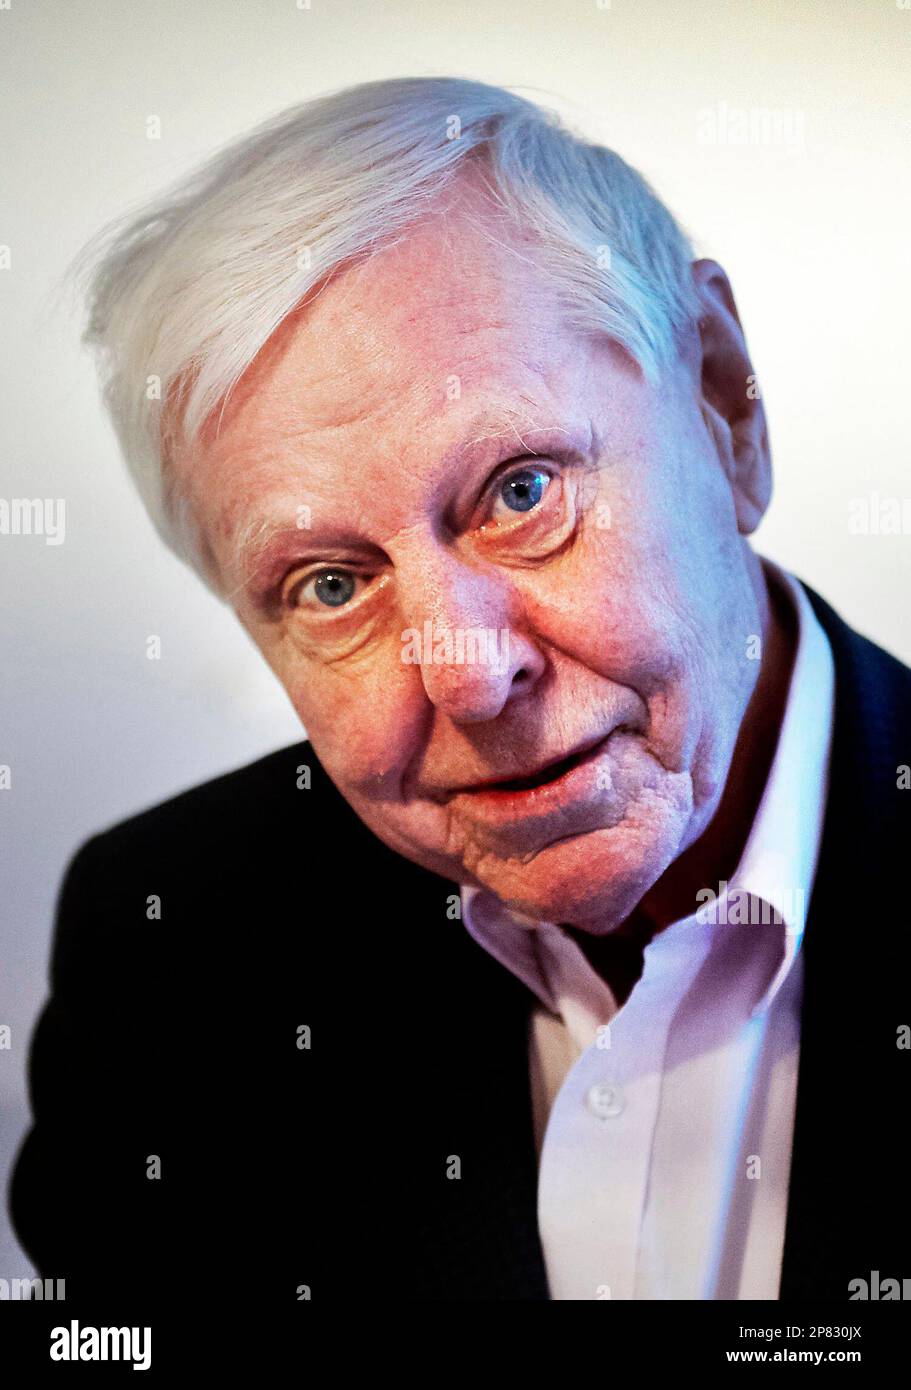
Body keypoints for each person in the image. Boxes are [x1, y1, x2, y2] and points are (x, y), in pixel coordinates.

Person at [9, 76, 910, 1304]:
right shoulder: (167, 955)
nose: (471, 677)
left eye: (521, 492)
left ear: (720, 402)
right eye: (331, 584)